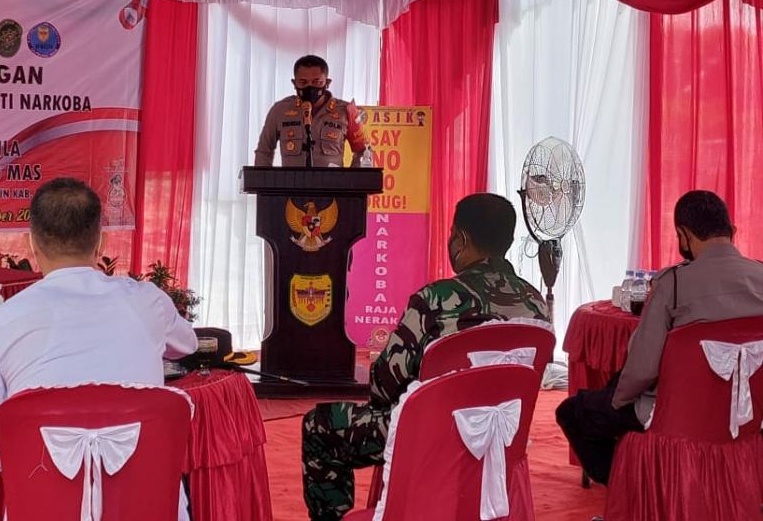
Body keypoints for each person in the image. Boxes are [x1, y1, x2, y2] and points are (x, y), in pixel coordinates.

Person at [302, 193, 550, 520]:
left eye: (451, 234)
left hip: (430, 436)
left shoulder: (435, 299)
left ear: (461, 238)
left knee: (319, 426)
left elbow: (383, 388)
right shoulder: (536, 304)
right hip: (501, 438)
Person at [0, 178, 198, 511]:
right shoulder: (147, 302)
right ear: (100, 242)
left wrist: (51, 457)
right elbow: (187, 344)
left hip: (42, 508)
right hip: (147, 506)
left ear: (31, 245)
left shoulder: (2, 320)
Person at [557, 190, 763, 486]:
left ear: (683, 235)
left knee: (575, 412)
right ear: (732, 232)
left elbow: (642, 369)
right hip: (746, 415)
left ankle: (631, 492)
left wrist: (617, 400)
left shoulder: (674, 283)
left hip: (675, 415)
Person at [254, 55, 369, 168]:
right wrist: (263, 183)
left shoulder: (348, 111)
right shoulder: (280, 111)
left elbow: (364, 151)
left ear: (327, 83)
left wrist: (351, 183)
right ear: (294, 84)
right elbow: (264, 151)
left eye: (316, 82)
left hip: (331, 185)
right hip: (291, 185)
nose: (310, 87)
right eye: (303, 82)